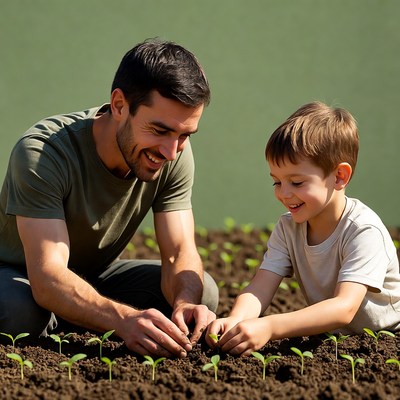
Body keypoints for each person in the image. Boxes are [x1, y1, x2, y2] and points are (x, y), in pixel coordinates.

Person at [0, 38, 219, 358]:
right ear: (119, 105)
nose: (171, 151)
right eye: (159, 130)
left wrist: (185, 302)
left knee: (202, 293)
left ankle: (75, 314)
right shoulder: (43, 152)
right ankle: (73, 315)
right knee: (20, 313)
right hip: (17, 274)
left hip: (91, 275)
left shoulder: (172, 154)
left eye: (184, 135)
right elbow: (47, 276)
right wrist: (124, 319)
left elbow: (178, 253)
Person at [206, 101, 400, 356]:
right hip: (334, 341)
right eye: (276, 182)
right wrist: (237, 319)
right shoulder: (288, 227)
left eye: (297, 182)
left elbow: (344, 308)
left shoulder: (363, 231)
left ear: (340, 176)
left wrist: (270, 326)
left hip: (386, 342)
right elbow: (260, 287)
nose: (284, 194)